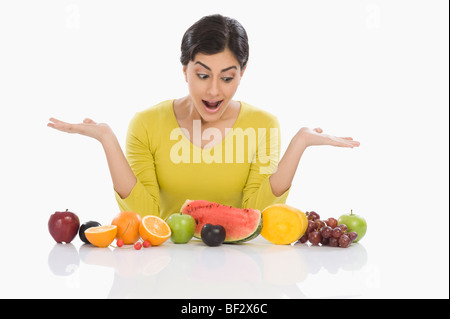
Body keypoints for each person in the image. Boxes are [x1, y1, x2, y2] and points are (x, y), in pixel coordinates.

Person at [47, 14, 360, 220]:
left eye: (227, 78)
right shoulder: (146, 124)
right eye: (202, 75)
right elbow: (146, 213)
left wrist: (300, 142)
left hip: (241, 268)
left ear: (242, 73)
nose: (213, 91)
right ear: (185, 70)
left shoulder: (263, 125)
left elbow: (258, 213)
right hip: (165, 266)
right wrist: (107, 139)